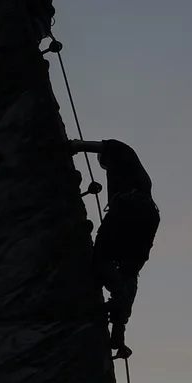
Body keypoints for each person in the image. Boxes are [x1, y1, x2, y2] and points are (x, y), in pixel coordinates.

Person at [69, 139, 159, 359]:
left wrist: (76, 145)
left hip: (127, 208)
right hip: (148, 216)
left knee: (100, 261)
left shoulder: (123, 153)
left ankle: (119, 296)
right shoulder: (139, 177)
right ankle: (119, 331)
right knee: (130, 269)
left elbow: (104, 146)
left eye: (105, 164)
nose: (105, 168)